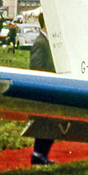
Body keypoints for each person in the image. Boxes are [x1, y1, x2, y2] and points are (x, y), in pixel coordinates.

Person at [27, 14, 56, 165]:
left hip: (50, 88)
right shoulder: (40, 43)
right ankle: (38, 155)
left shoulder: (47, 42)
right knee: (44, 123)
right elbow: (36, 67)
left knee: (49, 123)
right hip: (45, 88)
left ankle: (41, 154)